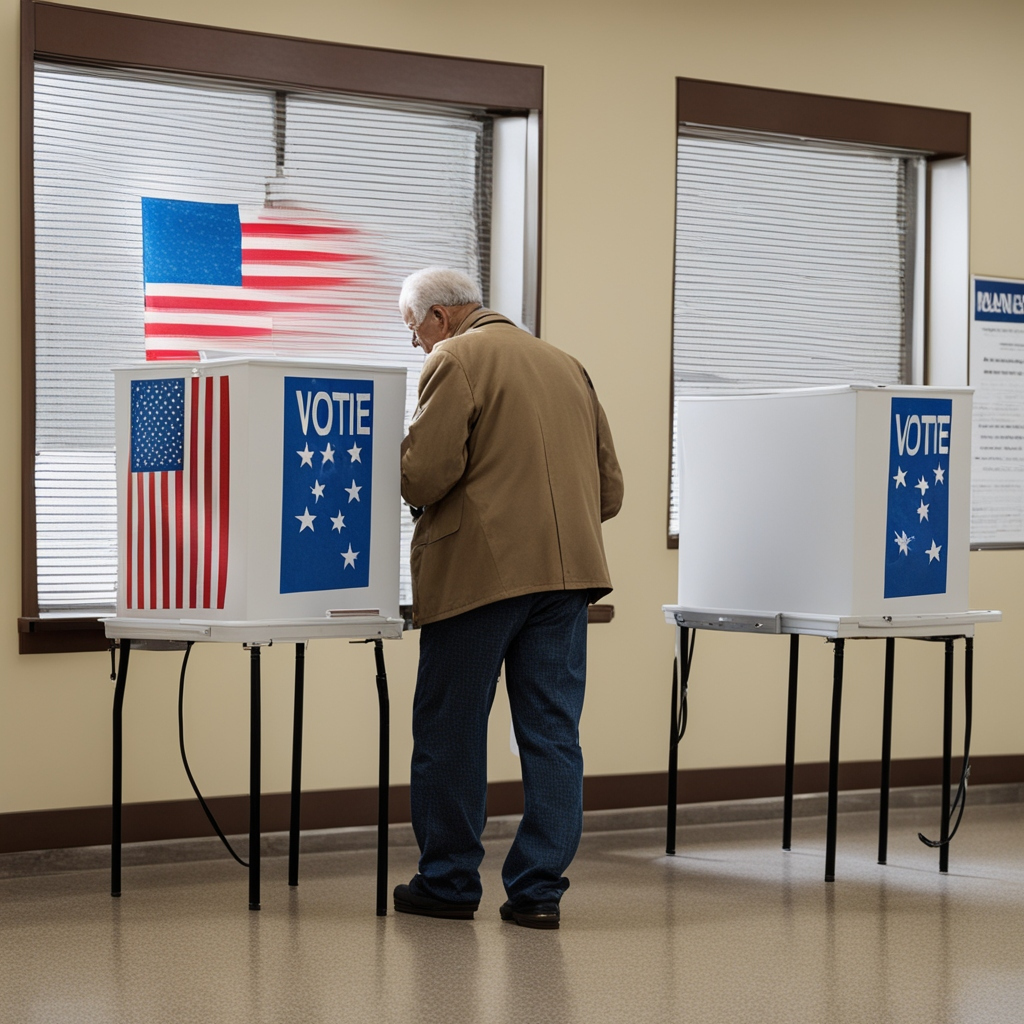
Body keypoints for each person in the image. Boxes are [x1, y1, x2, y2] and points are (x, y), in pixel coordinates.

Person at [393, 266, 623, 929]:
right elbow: (609, 492)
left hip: (479, 576)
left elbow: (423, 475)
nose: (416, 346)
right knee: (553, 735)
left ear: (440, 317)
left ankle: (447, 881)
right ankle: (538, 892)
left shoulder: (455, 358)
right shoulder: (566, 364)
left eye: (413, 330)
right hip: (569, 578)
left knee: (450, 731)